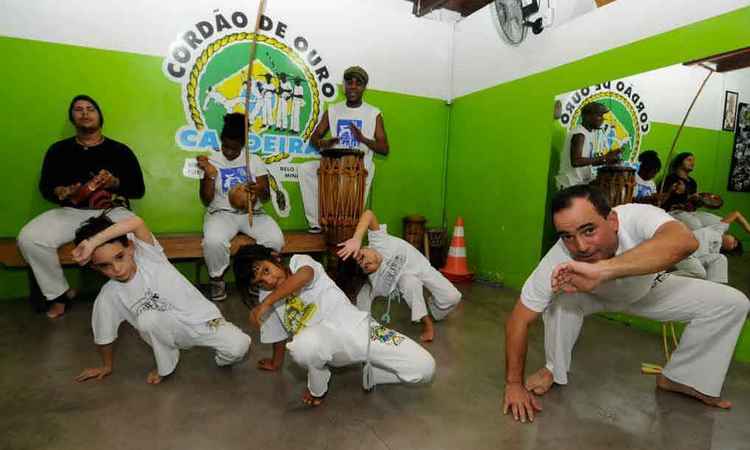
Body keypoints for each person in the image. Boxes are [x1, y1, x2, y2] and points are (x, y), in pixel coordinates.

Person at [503, 185, 749, 423]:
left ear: (612, 220)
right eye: (567, 236)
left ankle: (684, 379)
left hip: (649, 290)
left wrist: (604, 270)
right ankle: (552, 369)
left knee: (732, 303)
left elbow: (685, 242)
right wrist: (514, 384)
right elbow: (519, 319)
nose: (580, 246)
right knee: (559, 301)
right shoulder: (558, 258)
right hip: (591, 297)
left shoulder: (637, 215)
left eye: (589, 230)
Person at [233, 244, 435, 406]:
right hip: (322, 345)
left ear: (276, 257)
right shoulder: (268, 298)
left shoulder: (298, 262)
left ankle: (377, 373)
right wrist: (276, 363)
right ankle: (318, 388)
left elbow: (305, 276)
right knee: (302, 347)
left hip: (356, 329)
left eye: (266, 270)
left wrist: (266, 303)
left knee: (425, 368)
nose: (269, 280)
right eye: (260, 282)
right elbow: (277, 336)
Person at [72, 214, 251, 385]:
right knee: (147, 319)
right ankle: (167, 363)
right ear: (96, 268)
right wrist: (106, 366)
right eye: (105, 266)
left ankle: (221, 357)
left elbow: (136, 223)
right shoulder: (109, 296)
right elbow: (104, 336)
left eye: (119, 257)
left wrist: (93, 242)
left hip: (202, 321)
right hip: (166, 331)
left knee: (239, 346)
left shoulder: (149, 256)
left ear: (131, 248)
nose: (117, 269)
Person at [17, 94, 145, 318]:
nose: (85, 113)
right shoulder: (58, 150)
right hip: (71, 212)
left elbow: (138, 189)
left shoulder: (120, 150)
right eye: (79, 109)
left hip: (111, 212)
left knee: (137, 240)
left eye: (90, 108)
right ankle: (59, 295)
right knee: (30, 238)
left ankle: (139, 297)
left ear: (99, 117)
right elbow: (46, 186)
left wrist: (114, 182)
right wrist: (62, 191)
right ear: (72, 118)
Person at [196, 113, 284, 301]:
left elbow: (267, 195)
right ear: (221, 141)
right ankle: (217, 280)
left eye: (234, 148)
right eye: (225, 146)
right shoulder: (211, 160)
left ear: (243, 145)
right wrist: (210, 175)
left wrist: (259, 188)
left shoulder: (253, 160)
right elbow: (205, 198)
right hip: (221, 214)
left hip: (252, 213)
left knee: (275, 239)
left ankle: (258, 278)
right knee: (213, 241)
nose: (228, 152)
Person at [337, 210, 462, 342]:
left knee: (453, 297)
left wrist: (356, 238)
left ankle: (432, 309)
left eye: (362, 257)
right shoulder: (373, 283)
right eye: (366, 267)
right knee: (409, 283)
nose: (368, 262)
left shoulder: (378, 241)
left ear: (362, 248)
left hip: (420, 266)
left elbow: (368, 214)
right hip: (405, 280)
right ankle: (427, 323)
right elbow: (362, 311)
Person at [298, 66, 389, 233]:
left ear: (364, 87)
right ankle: (316, 222)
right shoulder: (333, 110)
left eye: (358, 83)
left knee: (347, 220)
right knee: (305, 169)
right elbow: (314, 138)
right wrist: (323, 144)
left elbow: (384, 148)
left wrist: (363, 139)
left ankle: (348, 228)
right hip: (334, 165)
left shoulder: (373, 113)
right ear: (343, 86)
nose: (353, 86)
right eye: (349, 82)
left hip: (359, 168)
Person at [555, 102, 620, 189]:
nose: (602, 119)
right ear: (587, 116)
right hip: (570, 184)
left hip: (579, 184)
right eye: (599, 116)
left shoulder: (588, 133)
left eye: (602, 116)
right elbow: (576, 161)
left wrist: (606, 161)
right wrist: (604, 157)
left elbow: (586, 162)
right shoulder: (579, 134)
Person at [672, 210, 746, 283]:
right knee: (700, 274)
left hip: (691, 258)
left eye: (733, 245)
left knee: (718, 261)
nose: (733, 242)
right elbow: (736, 214)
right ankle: (663, 278)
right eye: (735, 240)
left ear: (728, 249)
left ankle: (714, 287)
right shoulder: (718, 229)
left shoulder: (715, 254)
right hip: (683, 247)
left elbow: (707, 267)